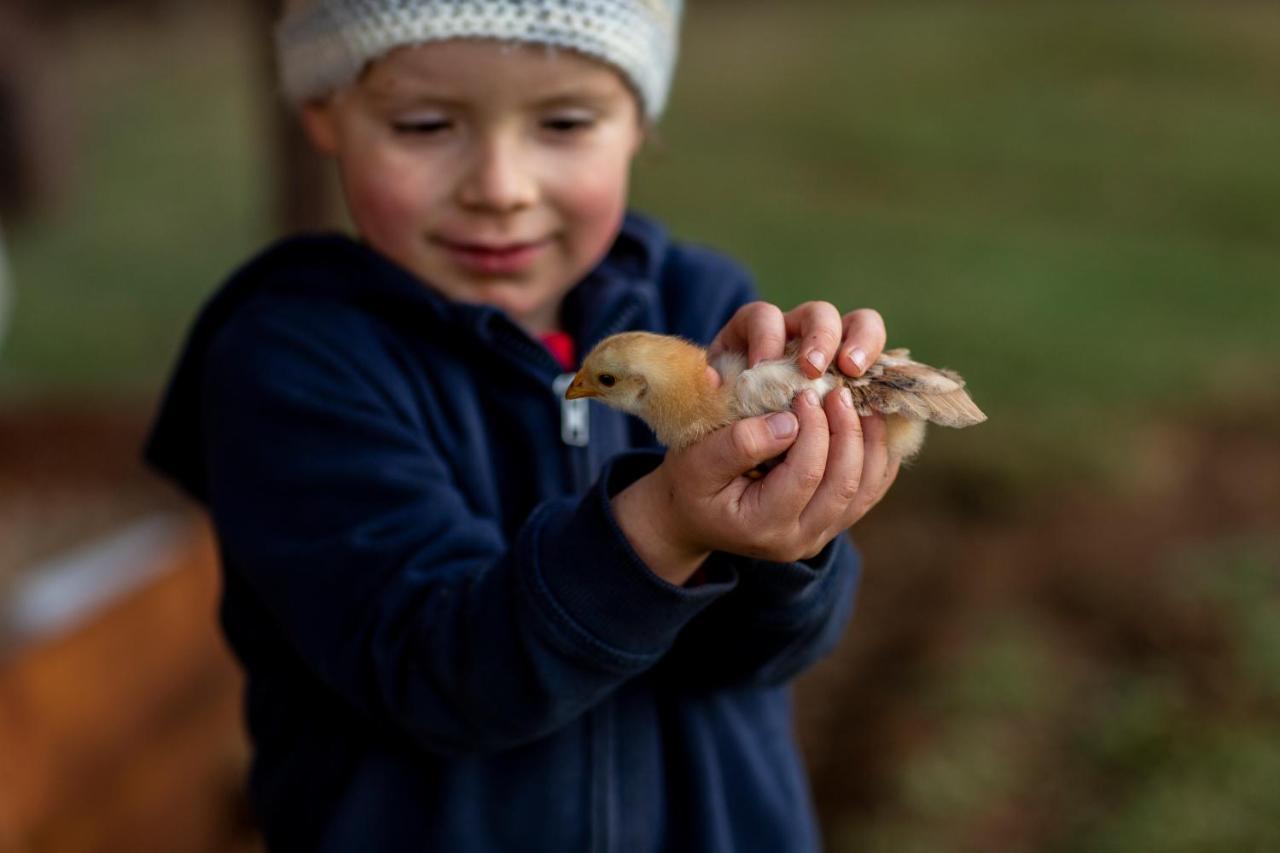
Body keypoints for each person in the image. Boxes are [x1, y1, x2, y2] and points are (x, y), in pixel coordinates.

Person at [145, 2, 898, 850]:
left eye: (565, 121)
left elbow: (765, 655)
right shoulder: (292, 364)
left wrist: (794, 538)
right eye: (426, 124)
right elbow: (433, 670)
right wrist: (662, 525)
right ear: (323, 109)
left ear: (639, 119)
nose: (499, 186)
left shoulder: (704, 314)